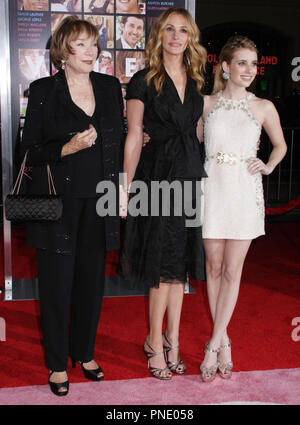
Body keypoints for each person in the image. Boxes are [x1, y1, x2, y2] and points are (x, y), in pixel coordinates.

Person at [20, 16, 123, 396]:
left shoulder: (110, 87)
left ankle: (84, 351)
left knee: (91, 283)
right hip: (56, 203)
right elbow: (27, 151)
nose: (91, 51)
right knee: (56, 284)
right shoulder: (44, 90)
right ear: (63, 50)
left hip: (99, 201)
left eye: (93, 43)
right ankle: (56, 361)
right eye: (81, 44)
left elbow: (117, 140)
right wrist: (67, 148)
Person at [119, 7, 207, 380]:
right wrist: (124, 188)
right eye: (169, 29)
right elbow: (135, 135)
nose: (175, 36)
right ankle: (155, 342)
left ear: (191, 38)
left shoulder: (199, 81)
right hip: (157, 180)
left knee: (179, 268)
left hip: (188, 179)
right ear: (159, 36)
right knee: (161, 268)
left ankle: (172, 338)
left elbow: (200, 134)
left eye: (182, 31)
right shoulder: (142, 80)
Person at [198, 35, 287, 382]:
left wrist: (267, 166)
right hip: (213, 188)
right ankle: (224, 341)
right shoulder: (206, 104)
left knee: (233, 272)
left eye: (253, 63)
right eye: (242, 63)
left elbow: (279, 146)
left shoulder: (263, 106)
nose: (249, 70)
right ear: (225, 66)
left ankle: (215, 345)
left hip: (243, 190)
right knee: (214, 269)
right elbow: (193, 141)